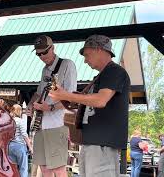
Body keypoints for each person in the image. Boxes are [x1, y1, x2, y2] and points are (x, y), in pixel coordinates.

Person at [48, 34, 131, 177]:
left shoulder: (114, 71)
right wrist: (65, 97)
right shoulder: (101, 76)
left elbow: (100, 100)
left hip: (102, 143)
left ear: (99, 49)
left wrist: (65, 95)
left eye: (87, 55)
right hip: (93, 142)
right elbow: (90, 102)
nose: (85, 60)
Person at [27, 35, 77, 177]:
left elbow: (71, 96)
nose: (42, 56)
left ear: (53, 47)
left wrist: (50, 108)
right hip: (40, 124)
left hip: (57, 124)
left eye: (45, 52)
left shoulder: (67, 65)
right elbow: (39, 93)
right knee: (44, 168)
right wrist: (31, 105)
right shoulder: (45, 70)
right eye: (38, 54)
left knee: (59, 169)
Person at [8, 104, 33, 177]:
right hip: (19, 146)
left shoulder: (9, 121)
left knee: (12, 167)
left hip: (10, 146)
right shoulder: (20, 121)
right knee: (23, 168)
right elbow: (24, 134)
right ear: (19, 111)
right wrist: (30, 147)